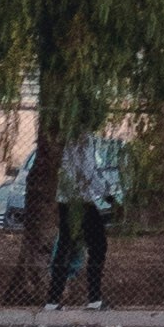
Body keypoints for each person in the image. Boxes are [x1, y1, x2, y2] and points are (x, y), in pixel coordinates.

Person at [44, 125, 119, 313]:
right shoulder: (82, 136)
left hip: (66, 199)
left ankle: (53, 300)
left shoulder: (68, 133)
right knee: (97, 245)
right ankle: (93, 298)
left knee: (65, 246)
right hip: (79, 200)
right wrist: (108, 196)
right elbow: (88, 172)